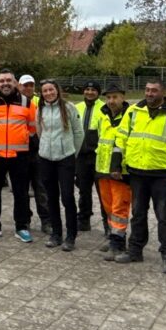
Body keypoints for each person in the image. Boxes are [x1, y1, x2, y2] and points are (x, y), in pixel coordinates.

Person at [111, 79, 166, 274]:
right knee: (138, 213)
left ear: (163, 92)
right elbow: (120, 138)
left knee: (163, 216)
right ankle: (135, 250)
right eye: (147, 90)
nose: (149, 94)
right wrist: (116, 164)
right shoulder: (133, 112)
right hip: (136, 172)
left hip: (162, 174)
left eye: (154, 91)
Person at [0, 69, 38, 242]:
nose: (5, 83)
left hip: (20, 156)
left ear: (15, 83)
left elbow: (33, 128)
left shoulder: (27, 103)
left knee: (21, 192)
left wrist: (20, 138)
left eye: (9, 80)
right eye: (2, 81)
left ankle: (21, 226)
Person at [37, 80, 84, 251]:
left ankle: (71, 236)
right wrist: (44, 148)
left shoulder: (69, 108)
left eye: (51, 89)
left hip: (65, 158)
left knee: (67, 197)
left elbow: (79, 132)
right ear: (41, 93)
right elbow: (39, 131)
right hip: (46, 158)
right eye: (45, 91)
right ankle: (56, 233)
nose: (48, 93)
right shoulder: (40, 108)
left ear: (57, 90)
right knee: (51, 197)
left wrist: (72, 152)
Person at [95, 83, 131, 260]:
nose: (111, 101)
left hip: (120, 171)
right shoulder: (103, 115)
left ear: (123, 97)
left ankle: (118, 244)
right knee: (109, 207)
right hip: (103, 169)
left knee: (119, 207)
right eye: (108, 97)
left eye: (115, 97)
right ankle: (113, 238)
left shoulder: (130, 116)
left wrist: (119, 167)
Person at [17, 73, 51, 234]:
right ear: (19, 86)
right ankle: (25, 220)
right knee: (22, 190)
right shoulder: (15, 102)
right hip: (20, 152)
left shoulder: (41, 102)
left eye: (31, 85)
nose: (29, 88)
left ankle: (46, 221)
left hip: (38, 152)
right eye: (25, 85)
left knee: (41, 188)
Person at [74, 81, 103, 233]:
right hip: (81, 157)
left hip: (98, 157)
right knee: (83, 190)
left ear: (98, 92)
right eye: (87, 89)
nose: (90, 92)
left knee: (103, 192)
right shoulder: (77, 107)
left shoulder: (104, 108)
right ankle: (84, 219)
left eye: (93, 90)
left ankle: (108, 223)